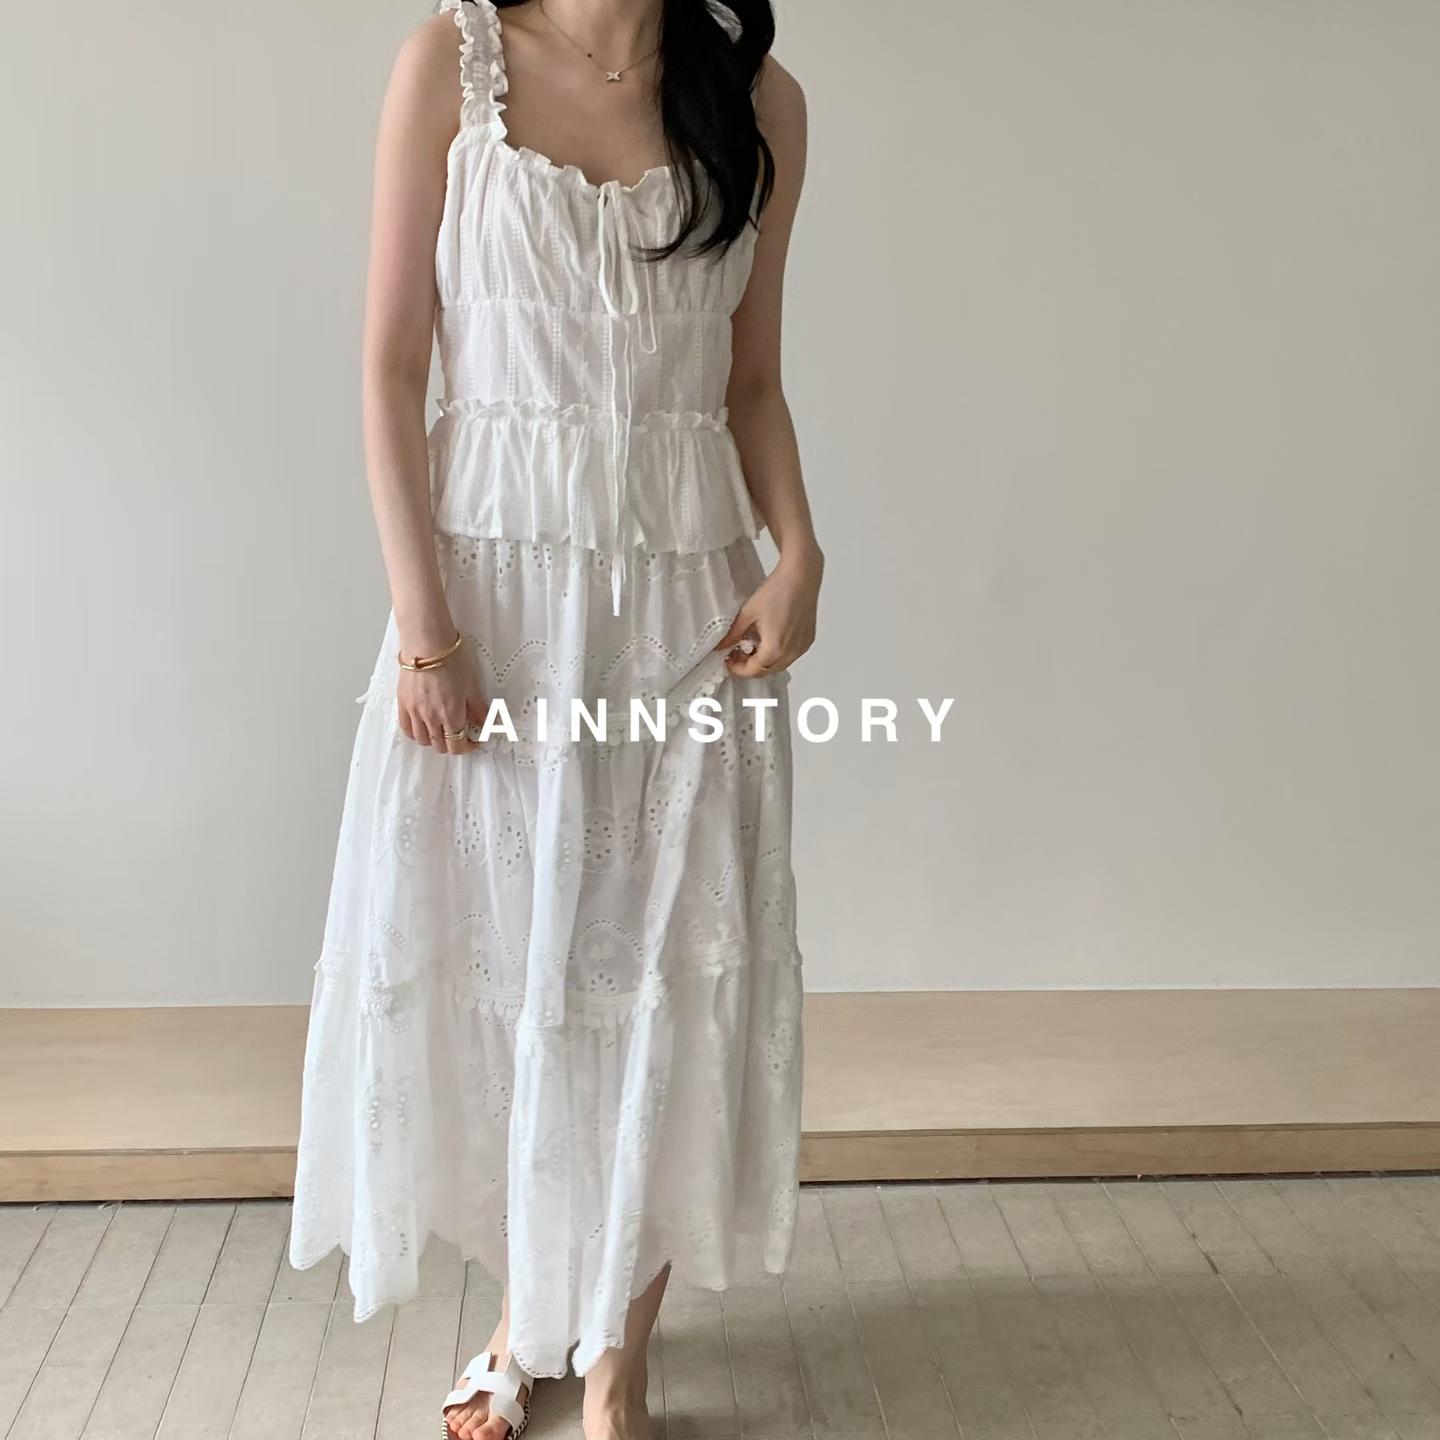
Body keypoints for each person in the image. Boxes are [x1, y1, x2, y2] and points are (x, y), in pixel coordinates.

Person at [287, 1, 820, 1436]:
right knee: (517, 970)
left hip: (685, 618)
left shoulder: (758, 101)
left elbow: (751, 381)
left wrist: (800, 551)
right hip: (495, 618)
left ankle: (613, 1358)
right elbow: (392, 367)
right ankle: (532, 1310)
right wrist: (426, 631)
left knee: (658, 978)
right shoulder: (452, 66)